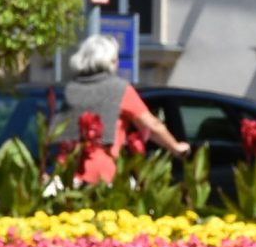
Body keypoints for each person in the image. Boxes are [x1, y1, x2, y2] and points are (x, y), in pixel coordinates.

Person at [60, 33, 188, 185]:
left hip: (66, 170)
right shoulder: (119, 89)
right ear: (111, 61)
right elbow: (151, 126)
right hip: (101, 173)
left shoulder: (70, 89)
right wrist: (175, 147)